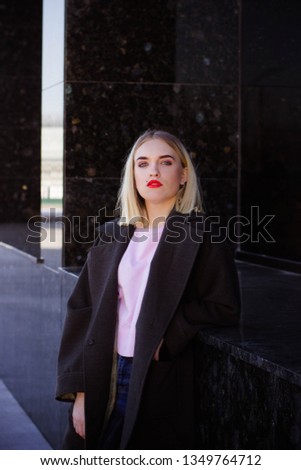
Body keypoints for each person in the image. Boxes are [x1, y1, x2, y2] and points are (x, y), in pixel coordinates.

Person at [56, 129, 241, 450]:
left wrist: (169, 337)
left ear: (183, 175)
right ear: (133, 175)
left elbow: (223, 305)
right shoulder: (111, 235)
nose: (153, 171)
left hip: (155, 376)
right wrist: (80, 391)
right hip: (104, 371)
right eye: (142, 164)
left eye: (165, 162)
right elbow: (82, 309)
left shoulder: (203, 236)